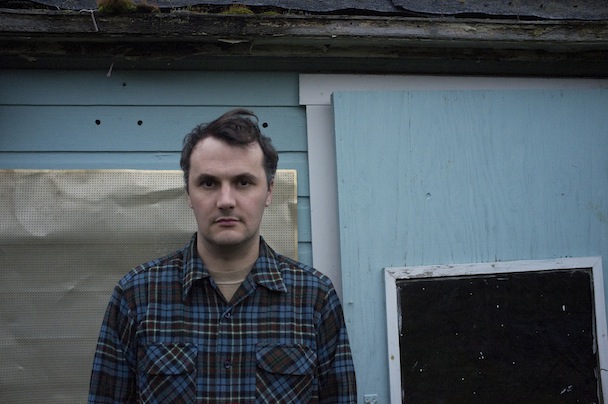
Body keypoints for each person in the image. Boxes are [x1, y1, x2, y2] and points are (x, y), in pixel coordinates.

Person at [88, 109, 357, 403]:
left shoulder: (315, 298)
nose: (226, 201)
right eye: (208, 183)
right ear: (189, 193)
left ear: (269, 191)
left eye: (243, 182)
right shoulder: (136, 297)